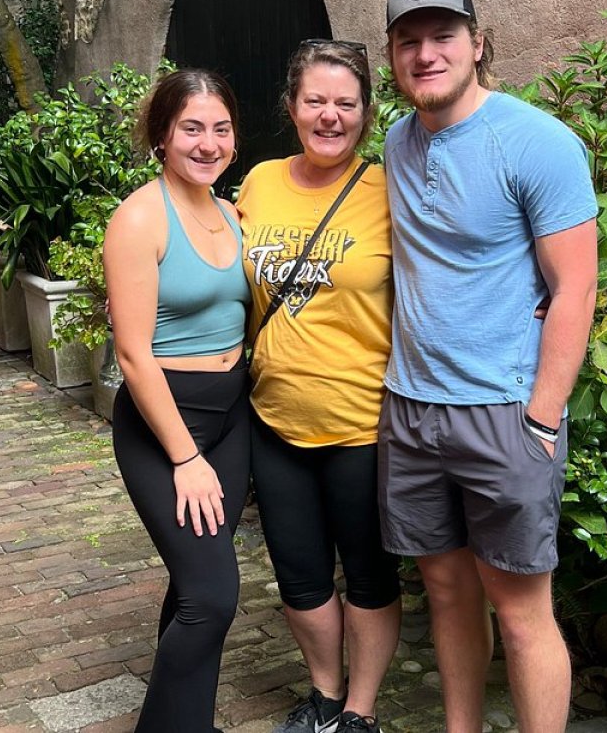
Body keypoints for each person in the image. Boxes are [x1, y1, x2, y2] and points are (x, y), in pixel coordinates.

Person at [377, 0, 599, 733]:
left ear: (477, 42)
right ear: (393, 57)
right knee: (443, 591)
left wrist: (541, 416)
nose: (427, 54)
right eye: (410, 41)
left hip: (504, 414)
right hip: (411, 411)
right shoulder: (397, 142)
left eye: (443, 36)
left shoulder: (537, 142)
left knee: (520, 608)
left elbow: (575, 289)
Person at [236, 40, 402, 733]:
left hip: (364, 423)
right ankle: (325, 697)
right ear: (291, 107)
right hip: (272, 420)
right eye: (315, 101)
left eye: (346, 103)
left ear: (366, 113)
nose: (330, 116)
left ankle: (360, 711)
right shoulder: (259, 183)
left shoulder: (390, 189)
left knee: (368, 577)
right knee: (300, 577)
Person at [104, 69, 252, 733]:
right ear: (162, 135)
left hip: (230, 419)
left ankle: (186, 720)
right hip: (167, 427)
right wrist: (186, 457)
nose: (208, 142)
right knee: (212, 598)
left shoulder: (232, 214)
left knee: (191, 588)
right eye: (191, 128)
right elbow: (134, 354)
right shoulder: (140, 218)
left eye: (221, 128)